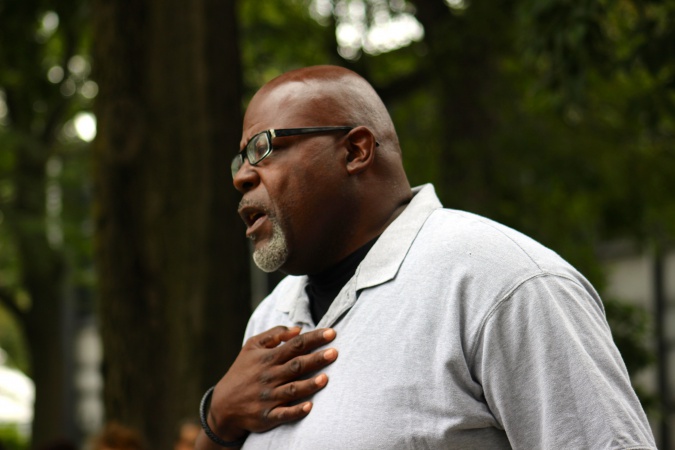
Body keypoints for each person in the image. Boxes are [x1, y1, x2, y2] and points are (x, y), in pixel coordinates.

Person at [196, 65, 656, 449]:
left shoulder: (499, 280)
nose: (243, 177)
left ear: (355, 150)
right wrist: (218, 416)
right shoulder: (271, 318)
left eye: (263, 148)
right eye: (240, 160)